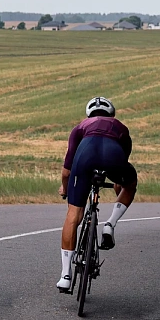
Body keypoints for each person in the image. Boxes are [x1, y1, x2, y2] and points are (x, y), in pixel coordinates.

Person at [56, 96, 138, 292]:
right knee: (130, 183)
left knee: (73, 216)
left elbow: (66, 171)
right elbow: (121, 169)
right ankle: (110, 224)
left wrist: (65, 189)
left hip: (86, 156)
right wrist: (119, 186)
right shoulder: (120, 127)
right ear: (112, 114)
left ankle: (65, 276)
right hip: (113, 157)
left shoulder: (80, 127)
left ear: (88, 114)